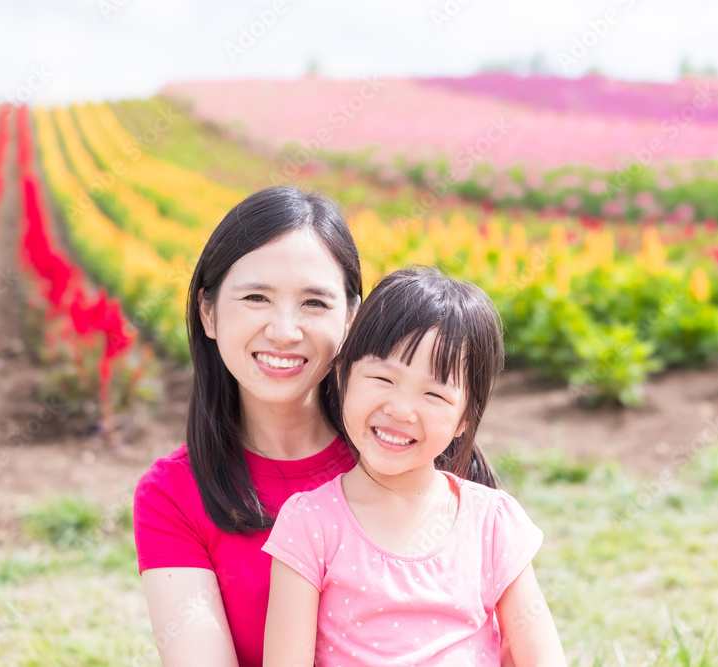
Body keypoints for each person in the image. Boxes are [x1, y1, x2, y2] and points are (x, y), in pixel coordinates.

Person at [134, 189, 497, 667]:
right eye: (256, 297)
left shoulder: (411, 450)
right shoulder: (174, 494)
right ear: (209, 312)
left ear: (351, 318)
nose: (284, 331)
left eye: (313, 303)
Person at [262, 267, 567, 666]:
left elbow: (541, 657)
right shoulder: (310, 522)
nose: (401, 410)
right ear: (342, 377)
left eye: (434, 394)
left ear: (463, 420)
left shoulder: (491, 522)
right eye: (383, 379)